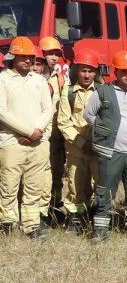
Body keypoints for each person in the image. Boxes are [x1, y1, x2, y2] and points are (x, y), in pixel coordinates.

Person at [83, 50, 127, 242]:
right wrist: (103, 130)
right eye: (123, 71)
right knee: (105, 190)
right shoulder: (103, 91)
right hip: (110, 151)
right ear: (116, 72)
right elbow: (88, 115)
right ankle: (100, 230)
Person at [0, 37, 53, 239]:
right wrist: (27, 132)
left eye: (30, 57)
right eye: (22, 56)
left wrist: (36, 131)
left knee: (35, 185)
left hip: (38, 141)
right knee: (8, 185)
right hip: (11, 142)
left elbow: (48, 109)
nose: (27, 60)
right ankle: (8, 224)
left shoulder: (38, 80)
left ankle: (31, 225)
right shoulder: (3, 80)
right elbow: (2, 112)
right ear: (13, 57)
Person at [56, 49, 101, 234]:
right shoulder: (68, 93)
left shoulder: (102, 92)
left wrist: (97, 142)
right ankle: (76, 220)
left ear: (96, 72)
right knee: (76, 185)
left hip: (98, 148)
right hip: (76, 148)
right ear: (77, 71)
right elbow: (63, 122)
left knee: (100, 184)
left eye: (91, 70)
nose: (87, 74)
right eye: (83, 70)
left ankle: (98, 217)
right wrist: (83, 143)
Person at [38, 37, 67, 222]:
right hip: (39, 134)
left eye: (57, 54)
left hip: (56, 135)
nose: (54, 57)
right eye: (50, 53)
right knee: (40, 174)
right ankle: (39, 211)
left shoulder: (60, 79)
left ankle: (54, 207)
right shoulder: (34, 79)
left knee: (56, 173)